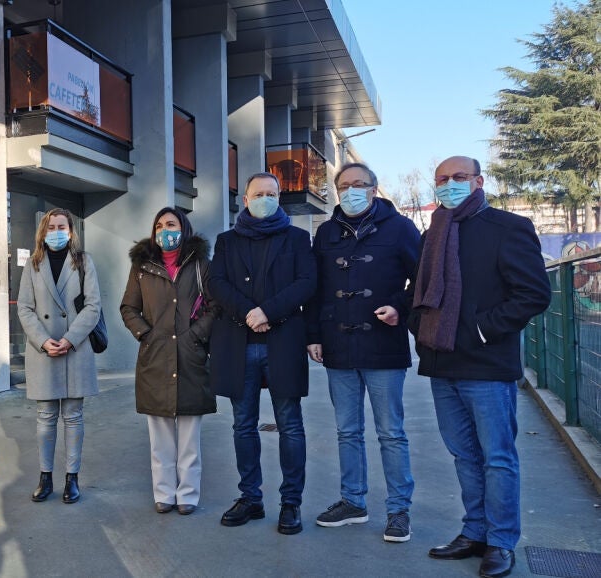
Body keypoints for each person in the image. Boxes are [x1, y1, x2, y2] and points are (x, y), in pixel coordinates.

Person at [411, 157, 550, 578]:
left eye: (459, 177)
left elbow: (533, 294)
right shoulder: (433, 232)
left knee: (497, 458)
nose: (449, 185)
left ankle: (501, 542)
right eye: (442, 179)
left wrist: (478, 329)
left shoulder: (509, 227)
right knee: (464, 455)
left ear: (478, 181)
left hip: (486, 364)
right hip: (441, 362)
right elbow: (420, 291)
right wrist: (417, 324)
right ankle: (474, 532)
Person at [305, 162, 420, 542]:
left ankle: (399, 510)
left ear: (373, 188)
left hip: (383, 344)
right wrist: (313, 335)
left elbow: (421, 279)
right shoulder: (326, 233)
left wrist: (399, 308)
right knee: (347, 431)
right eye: (344, 185)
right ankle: (352, 501)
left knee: (391, 432)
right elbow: (316, 288)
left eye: (359, 184)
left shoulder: (400, 228)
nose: (351, 191)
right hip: (337, 344)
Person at [209, 172, 316, 534]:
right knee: (243, 425)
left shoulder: (297, 238)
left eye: (271, 193)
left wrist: (268, 312)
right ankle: (250, 498)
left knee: (290, 425)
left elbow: (307, 282)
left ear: (279, 197)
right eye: (258, 194)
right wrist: (248, 314)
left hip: (282, 342)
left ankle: (291, 502)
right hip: (239, 345)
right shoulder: (227, 241)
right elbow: (216, 283)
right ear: (245, 199)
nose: (265, 199)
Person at [120, 207, 217, 516]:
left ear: (183, 228)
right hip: (156, 357)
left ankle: (188, 493)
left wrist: (196, 335)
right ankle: (164, 492)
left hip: (190, 356)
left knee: (189, 438)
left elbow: (215, 306)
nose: (165, 230)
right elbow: (128, 307)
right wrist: (146, 335)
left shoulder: (200, 264)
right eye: (159, 226)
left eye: (171, 224)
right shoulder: (142, 267)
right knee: (160, 437)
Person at [17, 208, 102, 504]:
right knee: (45, 417)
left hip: (75, 348)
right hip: (43, 350)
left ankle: (72, 478)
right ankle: (45, 477)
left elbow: (93, 306)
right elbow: (25, 307)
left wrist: (69, 339)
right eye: (51, 227)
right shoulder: (33, 263)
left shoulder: (84, 262)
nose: (56, 232)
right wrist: (43, 341)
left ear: (70, 231)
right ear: (43, 231)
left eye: (61, 227)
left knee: (74, 417)